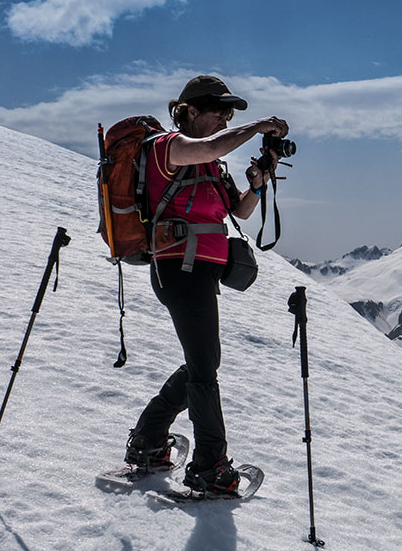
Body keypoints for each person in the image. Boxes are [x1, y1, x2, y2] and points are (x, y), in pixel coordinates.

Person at [124, 75, 289, 494]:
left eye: (230, 114)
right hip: (179, 268)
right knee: (204, 370)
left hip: (199, 271)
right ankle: (209, 466)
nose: (225, 118)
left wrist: (258, 183)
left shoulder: (213, 165)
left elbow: (241, 212)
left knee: (204, 364)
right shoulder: (167, 147)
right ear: (190, 110)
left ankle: (149, 441)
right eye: (219, 111)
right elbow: (213, 146)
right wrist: (256, 127)